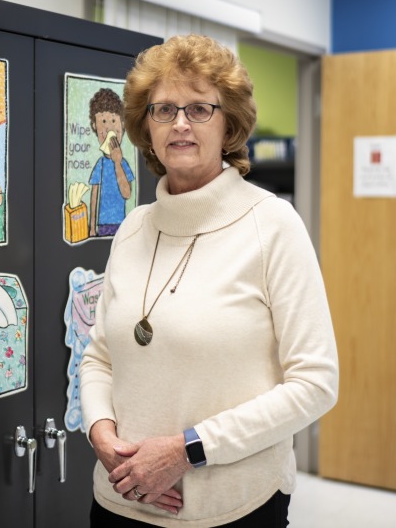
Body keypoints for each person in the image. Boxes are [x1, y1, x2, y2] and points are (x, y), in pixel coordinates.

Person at [79, 34, 339, 527]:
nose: (180, 123)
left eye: (200, 108)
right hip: (118, 503)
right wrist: (99, 431)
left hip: (232, 510)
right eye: (164, 109)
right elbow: (99, 356)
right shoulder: (134, 228)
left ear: (229, 124)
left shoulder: (272, 225)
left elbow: (315, 384)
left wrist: (187, 451)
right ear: (145, 127)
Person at [88, 88, 135, 237]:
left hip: (122, 223)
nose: (109, 127)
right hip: (102, 224)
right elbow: (94, 196)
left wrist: (117, 162)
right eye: (103, 121)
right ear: (95, 126)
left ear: (122, 125)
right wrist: (92, 226)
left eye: (113, 120)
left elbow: (127, 194)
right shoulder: (100, 165)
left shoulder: (123, 164)